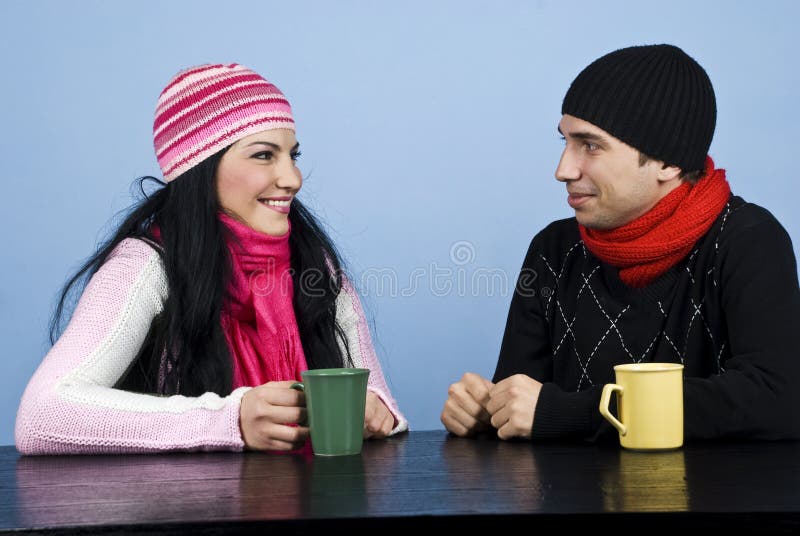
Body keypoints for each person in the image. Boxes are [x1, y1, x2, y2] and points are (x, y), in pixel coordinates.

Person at [15, 63, 407, 454]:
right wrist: (230, 419)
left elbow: (376, 396)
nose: (292, 179)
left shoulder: (314, 263)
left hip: (314, 505)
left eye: (292, 155)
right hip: (184, 509)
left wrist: (377, 413)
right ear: (200, 167)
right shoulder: (145, 264)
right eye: (264, 156)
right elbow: (42, 415)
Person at [441, 44, 800, 442]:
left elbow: (777, 399)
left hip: (709, 499)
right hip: (566, 501)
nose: (563, 169)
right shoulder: (554, 251)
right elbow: (522, 407)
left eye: (590, 145)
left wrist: (573, 412)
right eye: (565, 142)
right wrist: (484, 413)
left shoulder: (747, 240)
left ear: (668, 161)